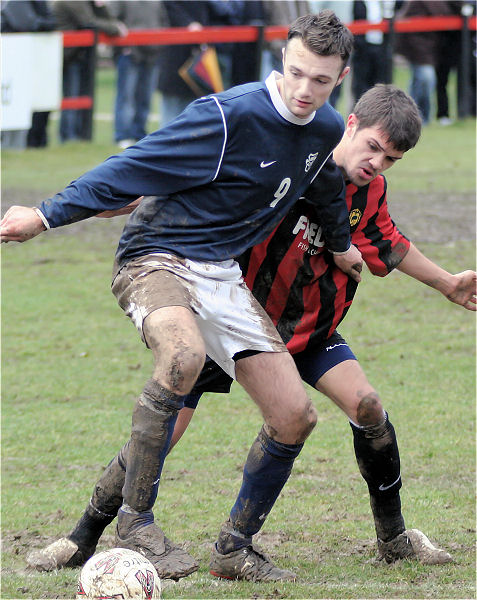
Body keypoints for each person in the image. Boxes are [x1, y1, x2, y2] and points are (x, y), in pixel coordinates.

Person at [25, 84, 476, 579]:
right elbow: (208, 182)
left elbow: (390, 243)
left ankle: (390, 539)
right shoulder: (291, 161)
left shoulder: (368, 194)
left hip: (308, 332)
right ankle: (81, 536)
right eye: (373, 147)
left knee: (367, 405)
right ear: (350, 124)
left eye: (390, 158)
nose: (377, 163)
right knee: (160, 435)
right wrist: (133, 197)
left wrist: (448, 284)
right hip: (235, 321)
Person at [1, 11, 361, 582]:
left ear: (339, 77)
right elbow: (131, 165)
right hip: (157, 255)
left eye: (319, 80)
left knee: (295, 416)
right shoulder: (227, 116)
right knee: (182, 357)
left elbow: (324, 185)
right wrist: (44, 216)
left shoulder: (323, 130)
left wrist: (340, 244)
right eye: (295, 72)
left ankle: (234, 549)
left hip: (221, 275)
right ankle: (136, 521)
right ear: (281, 60)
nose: (302, 90)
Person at [53, 1, 127, 142]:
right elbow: (89, 22)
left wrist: (101, 6)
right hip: (69, 56)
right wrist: (115, 28)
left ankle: (78, 137)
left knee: (78, 96)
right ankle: (68, 138)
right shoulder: (72, 3)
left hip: (79, 55)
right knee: (71, 97)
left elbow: (103, 19)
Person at [0, 0, 57, 149]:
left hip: (32, 59)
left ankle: (35, 142)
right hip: (13, 59)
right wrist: (44, 24)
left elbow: (51, 21)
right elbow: (28, 24)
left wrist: (44, 24)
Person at [110, 1, 166, 149]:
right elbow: (112, 19)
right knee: (126, 96)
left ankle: (139, 133)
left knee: (146, 97)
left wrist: (160, 42)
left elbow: (163, 20)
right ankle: (122, 135)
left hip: (152, 52)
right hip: (130, 52)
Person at [395, 0, 443, 125]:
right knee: (425, 79)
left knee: (421, 82)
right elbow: (405, 23)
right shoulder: (415, 3)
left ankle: (417, 117)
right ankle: (413, 116)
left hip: (430, 49)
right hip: (418, 50)